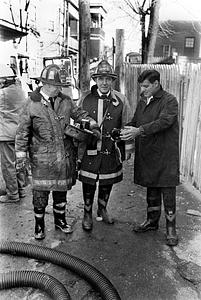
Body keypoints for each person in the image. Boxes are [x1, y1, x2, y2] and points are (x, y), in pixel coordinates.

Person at [15, 64, 100, 240]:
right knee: (40, 193)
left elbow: (79, 114)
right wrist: (21, 156)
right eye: (56, 86)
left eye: (60, 86)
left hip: (64, 155)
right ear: (45, 85)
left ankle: (60, 221)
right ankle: (39, 226)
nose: (58, 89)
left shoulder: (66, 101)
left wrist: (91, 123)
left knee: (61, 191)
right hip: (42, 158)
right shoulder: (31, 104)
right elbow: (22, 131)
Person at [120, 69, 180, 246]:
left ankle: (171, 229)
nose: (143, 89)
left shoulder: (169, 100)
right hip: (149, 154)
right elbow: (136, 121)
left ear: (156, 84)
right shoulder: (143, 101)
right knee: (151, 190)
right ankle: (151, 221)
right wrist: (126, 128)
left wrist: (139, 131)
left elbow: (165, 122)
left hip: (166, 156)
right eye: (141, 86)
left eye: (146, 86)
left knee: (168, 192)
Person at [78, 60, 133, 231]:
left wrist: (128, 148)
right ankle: (87, 213)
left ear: (112, 81)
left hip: (111, 149)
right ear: (95, 80)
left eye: (108, 79)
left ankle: (102, 208)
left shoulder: (121, 100)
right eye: (100, 78)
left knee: (107, 180)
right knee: (88, 181)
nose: (104, 82)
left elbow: (127, 124)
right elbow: (77, 119)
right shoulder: (85, 98)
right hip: (90, 149)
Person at [0, 64, 27, 203]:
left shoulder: (3, 93)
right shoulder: (20, 91)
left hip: (6, 134)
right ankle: (21, 189)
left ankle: (12, 194)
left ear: (4, 80)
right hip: (19, 133)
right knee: (18, 163)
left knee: (8, 164)